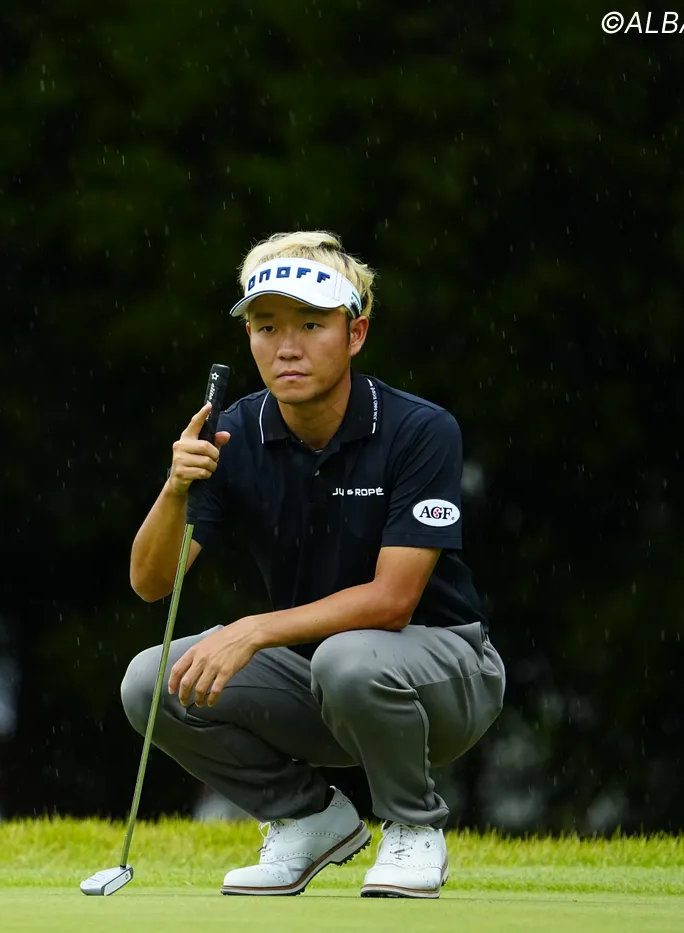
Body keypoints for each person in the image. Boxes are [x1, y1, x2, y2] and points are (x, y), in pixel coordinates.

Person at [120, 230, 504, 898]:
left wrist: (255, 629)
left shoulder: (419, 429)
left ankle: (413, 827)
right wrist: (175, 488)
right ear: (249, 338)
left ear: (355, 334)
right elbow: (152, 583)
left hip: (447, 675)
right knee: (152, 682)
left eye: (310, 324)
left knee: (346, 658)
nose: (287, 346)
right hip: (318, 679)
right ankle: (308, 819)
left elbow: (392, 601)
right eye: (267, 326)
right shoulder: (235, 434)